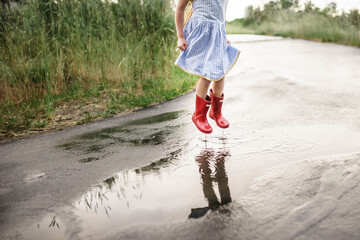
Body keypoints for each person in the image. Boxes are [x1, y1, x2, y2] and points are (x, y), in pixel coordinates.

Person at [175, 0, 240, 134]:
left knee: (220, 75)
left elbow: (220, 16)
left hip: (217, 37)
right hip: (201, 36)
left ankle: (216, 112)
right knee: (207, 76)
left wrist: (223, 36)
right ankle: (198, 115)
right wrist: (180, 36)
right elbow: (180, 9)